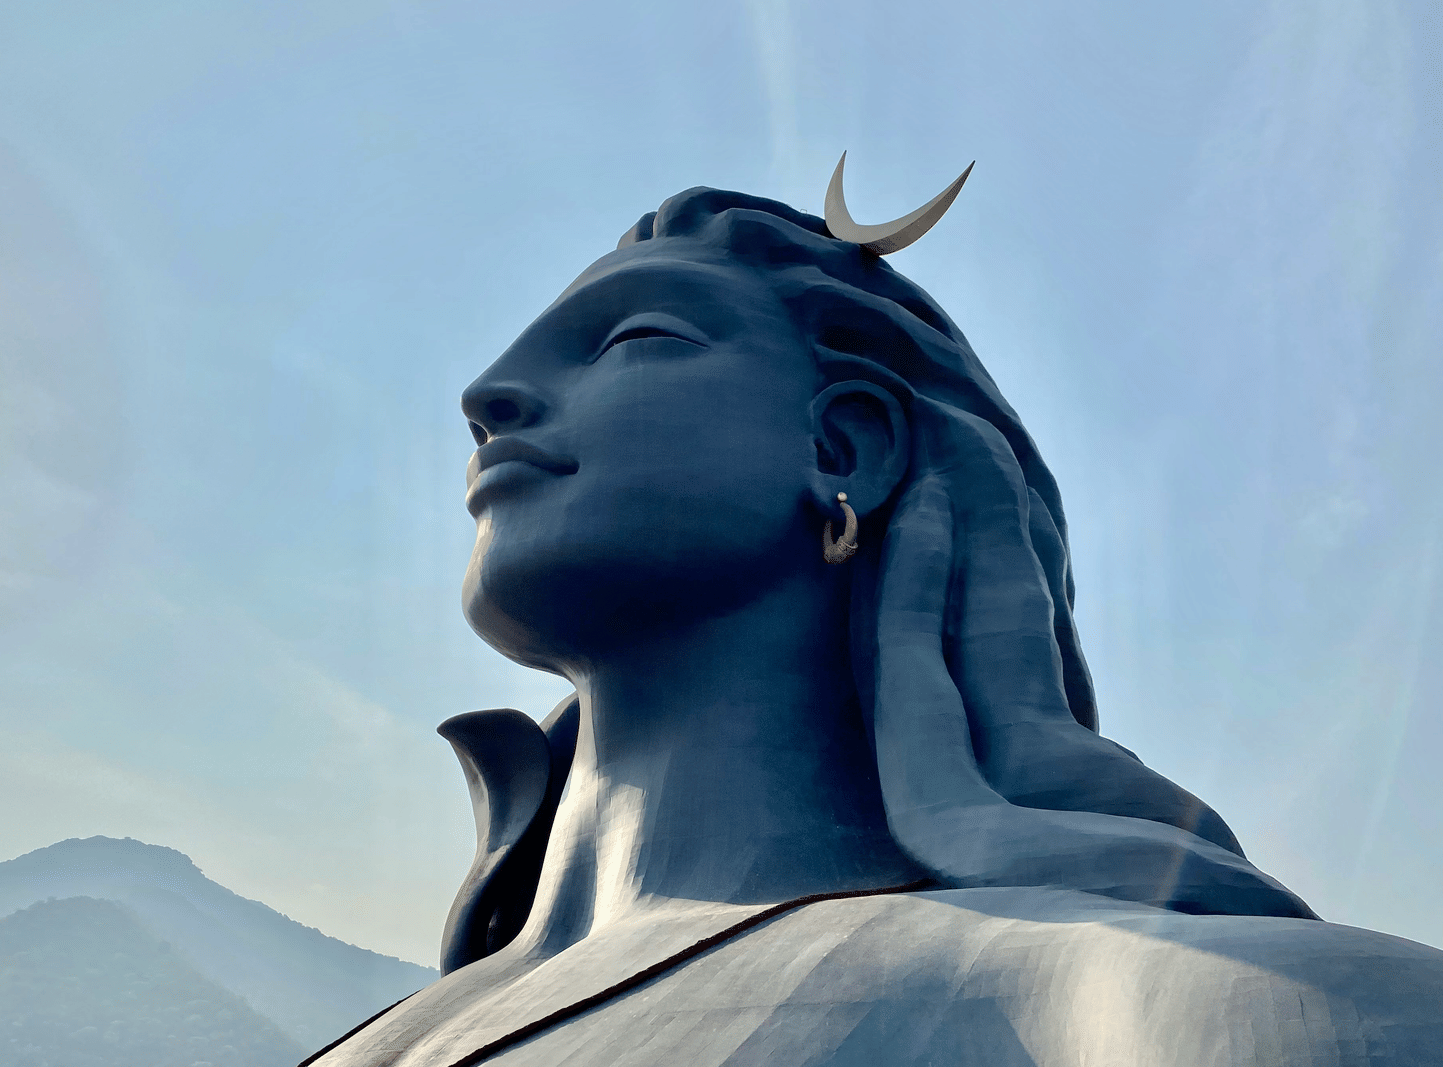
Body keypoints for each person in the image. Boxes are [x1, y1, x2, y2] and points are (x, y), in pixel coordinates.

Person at [308, 183, 1443, 1067]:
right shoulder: (385, 1037)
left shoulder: (1206, 1011)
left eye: (634, 338)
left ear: (846, 445)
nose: (487, 394)